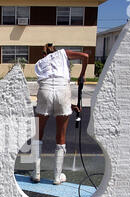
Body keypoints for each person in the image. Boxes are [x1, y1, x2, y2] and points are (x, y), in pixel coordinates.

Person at [31, 43, 88, 185]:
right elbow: (85, 56)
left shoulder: (40, 63)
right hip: (63, 91)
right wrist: (82, 75)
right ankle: (57, 177)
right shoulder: (62, 53)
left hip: (45, 91)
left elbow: (51, 87)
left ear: (43, 54)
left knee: (39, 133)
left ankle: (36, 173)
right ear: (55, 51)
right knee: (60, 135)